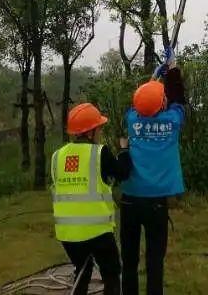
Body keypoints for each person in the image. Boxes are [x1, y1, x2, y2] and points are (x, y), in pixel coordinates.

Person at [120, 48, 187, 295]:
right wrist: (173, 71)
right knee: (154, 260)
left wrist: (153, 78)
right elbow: (179, 100)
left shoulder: (131, 119)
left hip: (129, 199)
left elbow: (142, 102)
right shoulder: (172, 121)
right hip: (156, 202)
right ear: (163, 103)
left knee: (128, 260)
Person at [51, 103, 131, 295]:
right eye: (99, 128)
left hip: (67, 233)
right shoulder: (99, 153)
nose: (100, 132)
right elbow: (122, 173)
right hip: (97, 231)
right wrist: (124, 150)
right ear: (90, 131)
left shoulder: (57, 156)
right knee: (111, 272)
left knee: (82, 271)